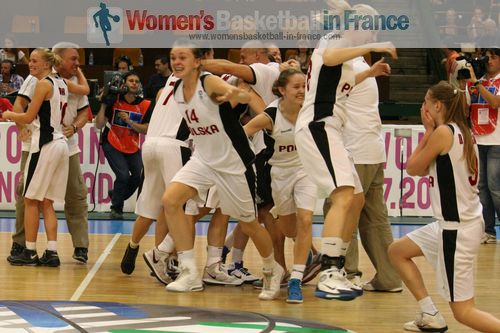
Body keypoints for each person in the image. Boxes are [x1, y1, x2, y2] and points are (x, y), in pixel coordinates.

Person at [161, 42, 284, 299]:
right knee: (171, 200)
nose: (176, 61)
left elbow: (237, 94)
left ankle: (273, 270)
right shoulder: (177, 91)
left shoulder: (208, 82)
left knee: (249, 224)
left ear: (197, 61)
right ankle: (190, 272)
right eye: (173, 57)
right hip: (204, 159)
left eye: (182, 56)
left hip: (233, 163)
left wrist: (235, 95)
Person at [294, 2, 397, 300]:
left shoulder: (347, 60)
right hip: (318, 124)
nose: (371, 37)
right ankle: (329, 271)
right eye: (371, 31)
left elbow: (344, 82)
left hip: (330, 127)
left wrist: (371, 72)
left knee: (356, 197)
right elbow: (330, 57)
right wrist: (376, 45)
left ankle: (337, 267)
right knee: (342, 195)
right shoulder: (335, 40)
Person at [388, 81, 500, 333]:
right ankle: (429, 314)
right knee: (397, 251)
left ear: (436, 105)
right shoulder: (463, 129)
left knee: (464, 312)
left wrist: (427, 130)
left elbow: (413, 168)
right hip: (455, 224)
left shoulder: (442, 134)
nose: (423, 106)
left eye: (425, 102)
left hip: (456, 230)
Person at [3, 48, 89, 267]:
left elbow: (28, 116)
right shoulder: (61, 82)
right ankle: (52, 251)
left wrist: (10, 115)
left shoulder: (43, 84)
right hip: (61, 143)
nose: (30, 64)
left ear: (45, 64)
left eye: (34, 61)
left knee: (31, 199)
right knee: (48, 202)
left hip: (45, 144)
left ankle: (29, 251)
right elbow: (86, 89)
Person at [324, 54, 403, 292]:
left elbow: (322, 99)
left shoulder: (347, 69)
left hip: (354, 151)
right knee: (375, 218)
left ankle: (347, 273)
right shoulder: (363, 68)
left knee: (341, 210)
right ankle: (390, 278)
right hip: (372, 150)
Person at [244, 68, 317, 303]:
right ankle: (308, 255)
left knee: (306, 220)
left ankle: (295, 279)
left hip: (306, 171)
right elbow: (244, 132)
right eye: (296, 87)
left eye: (304, 86)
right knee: (289, 229)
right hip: (280, 174)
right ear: (282, 90)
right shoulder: (271, 115)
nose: (301, 91)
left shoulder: (312, 109)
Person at [95, 72, 153, 219]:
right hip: (112, 142)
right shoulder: (114, 101)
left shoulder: (145, 104)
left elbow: (146, 128)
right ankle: (116, 209)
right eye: (131, 80)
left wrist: (130, 122)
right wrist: (103, 104)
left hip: (132, 145)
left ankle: (115, 194)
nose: (134, 83)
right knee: (123, 175)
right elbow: (99, 124)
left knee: (138, 175)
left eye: (137, 81)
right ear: (124, 84)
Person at [466, 48, 500, 244]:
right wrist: (465, 84)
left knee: (496, 188)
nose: (489, 61)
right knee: (482, 188)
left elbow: (495, 102)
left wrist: (477, 83)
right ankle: (488, 230)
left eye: (494, 57)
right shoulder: (480, 81)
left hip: (497, 141)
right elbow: (466, 106)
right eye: (488, 57)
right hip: (480, 139)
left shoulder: (487, 82)